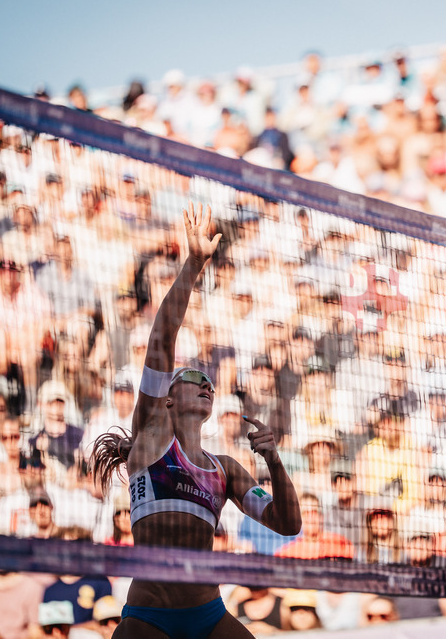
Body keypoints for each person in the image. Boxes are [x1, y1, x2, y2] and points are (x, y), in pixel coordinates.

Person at [91, 203, 301, 639]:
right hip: (150, 616)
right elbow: (162, 336)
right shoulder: (151, 435)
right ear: (167, 400)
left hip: (208, 613)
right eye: (192, 379)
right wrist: (194, 263)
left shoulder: (225, 468)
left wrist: (275, 463)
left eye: (209, 382)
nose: (205, 384)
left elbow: (287, 523)